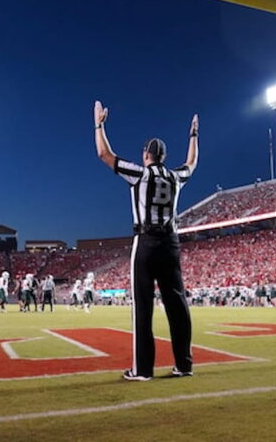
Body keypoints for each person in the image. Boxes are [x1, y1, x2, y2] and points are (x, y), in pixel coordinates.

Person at [93, 99, 198, 381]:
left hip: (147, 241)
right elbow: (192, 163)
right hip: (171, 243)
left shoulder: (140, 174)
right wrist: (193, 136)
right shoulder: (174, 177)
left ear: (146, 155)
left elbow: (104, 154)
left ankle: (143, 369)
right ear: (163, 156)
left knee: (143, 306)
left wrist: (99, 125)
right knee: (177, 304)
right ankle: (184, 364)